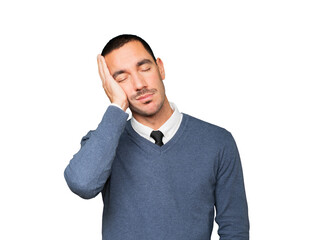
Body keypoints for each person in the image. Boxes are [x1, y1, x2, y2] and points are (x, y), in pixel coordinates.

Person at [64, 34, 249, 240]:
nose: (139, 84)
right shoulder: (104, 143)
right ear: (111, 86)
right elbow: (82, 183)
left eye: (144, 68)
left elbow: (234, 229)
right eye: (122, 78)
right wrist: (117, 106)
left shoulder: (217, 142)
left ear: (160, 67)